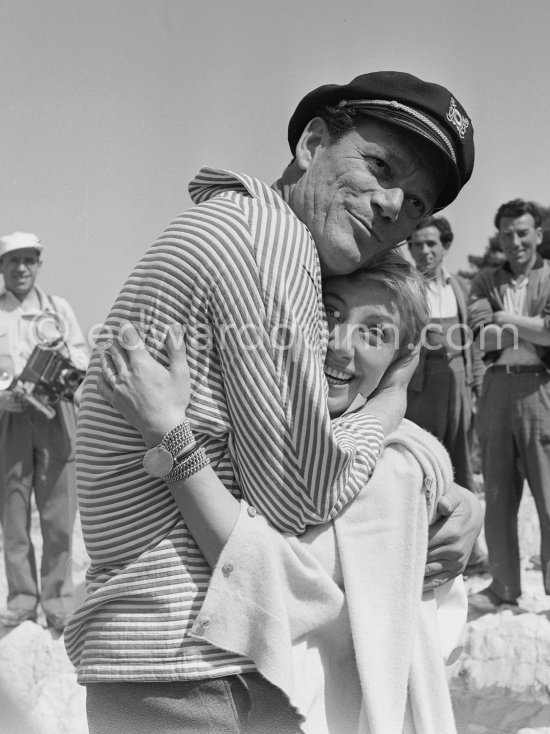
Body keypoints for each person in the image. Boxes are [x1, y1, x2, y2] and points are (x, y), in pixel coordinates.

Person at [65, 71, 481, 733]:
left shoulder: (245, 225)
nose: (392, 207)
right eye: (380, 167)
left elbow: (300, 447)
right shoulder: (271, 243)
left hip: (174, 652)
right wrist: (394, 402)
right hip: (193, 661)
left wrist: (439, 485)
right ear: (313, 143)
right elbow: (300, 498)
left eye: (414, 208)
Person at [97, 251, 466, 734]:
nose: (339, 346)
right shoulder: (273, 430)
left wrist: (167, 432)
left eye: (374, 332)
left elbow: (267, 577)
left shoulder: (394, 466)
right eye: (328, 314)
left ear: (402, 358)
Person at [0, 231, 89, 631]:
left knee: (58, 513)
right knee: (14, 512)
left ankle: (57, 602)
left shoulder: (58, 309)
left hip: (55, 415)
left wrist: (62, 370)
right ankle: (21, 600)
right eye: (12, 260)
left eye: (28, 260)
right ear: (2, 267)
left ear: (38, 265)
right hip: (10, 417)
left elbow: (82, 355)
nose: (20, 268)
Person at [468, 199, 550, 611]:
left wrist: (507, 319)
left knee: (549, 494)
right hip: (497, 390)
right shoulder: (484, 280)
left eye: (523, 232)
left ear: (538, 234)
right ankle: (503, 586)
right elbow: (482, 338)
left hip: (542, 392)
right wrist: (531, 329)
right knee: (498, 494)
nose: (515, 241)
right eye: (507, 234)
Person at [406, 215, 488, 573]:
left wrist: (476, 386)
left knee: (462, 465)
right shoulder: (406, 288)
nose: (423, 251)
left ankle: (471, 555)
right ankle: (423, 553)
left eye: (430, 244)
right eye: (416, 245)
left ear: (445, 247)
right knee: (427, 468)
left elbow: (475, 345)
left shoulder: (462, 288)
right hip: (421, 386)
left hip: (459, 380)